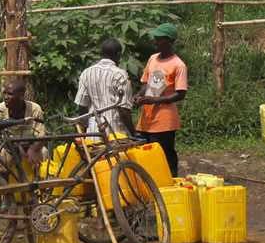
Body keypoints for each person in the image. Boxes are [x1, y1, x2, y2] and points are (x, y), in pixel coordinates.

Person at [133, 23, 188, 177]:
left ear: (169, 42)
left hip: (164, 119)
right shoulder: (152, 59)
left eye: (159, 40)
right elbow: (146, 84)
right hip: (146, 118)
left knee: (165, 154)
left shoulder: (178, 65)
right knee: (144, 153)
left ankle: (172, 182)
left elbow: (180, 94)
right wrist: (138, 96)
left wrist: (155, 100)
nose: (155, 43)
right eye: (155, 39)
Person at [74, 38, 135, 138]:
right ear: (119, 54)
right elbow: (124, 111)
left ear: (101, 54)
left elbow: (82, 106)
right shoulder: (120, 75)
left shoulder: (86, 73)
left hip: (93, 134)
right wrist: (134, 133)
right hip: (116, 135)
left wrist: (85, 130)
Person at [0, 80, 45, 168]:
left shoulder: (35, 109)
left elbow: (41, 135)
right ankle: (2, 181)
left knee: (43, 152)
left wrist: (33, 149)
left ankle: (40, 180)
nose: (5, 97)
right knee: (3, 155)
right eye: (4, 93)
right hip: (8, 145)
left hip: (29, 144)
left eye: (10, 94)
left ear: (21, 96)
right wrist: (15, 145)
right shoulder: (0, 109)